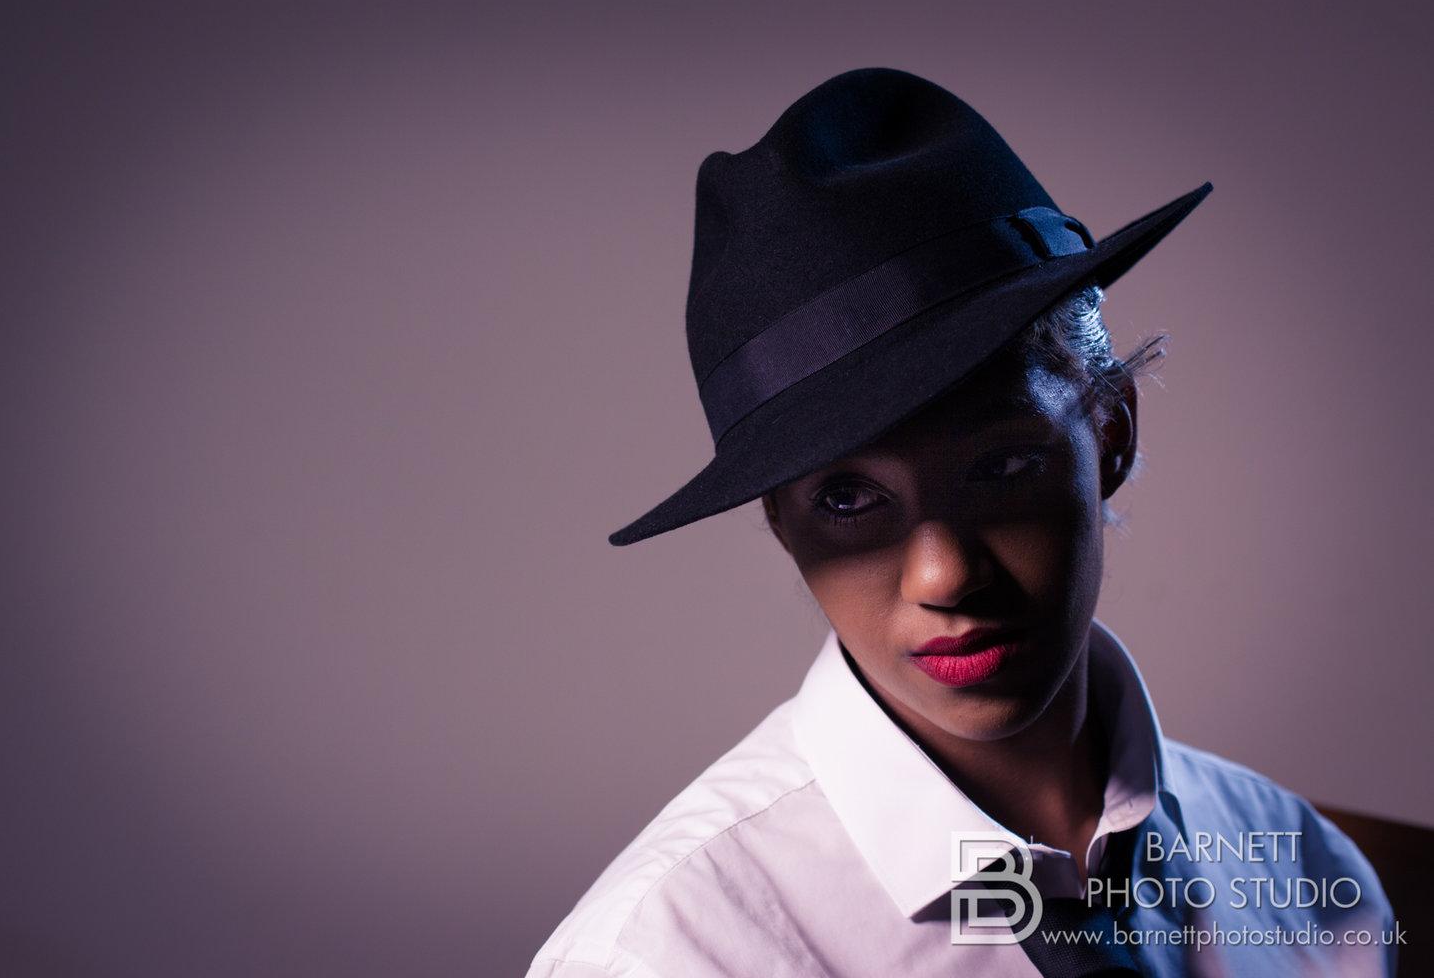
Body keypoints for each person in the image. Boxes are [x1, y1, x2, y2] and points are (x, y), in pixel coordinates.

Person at [526, 68, 1396, 976]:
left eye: (1002, 468)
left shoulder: (1301, 869)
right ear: (781, 523)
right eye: (849, 499)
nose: (943, 575)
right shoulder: (670, 951)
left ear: (1111, 435)